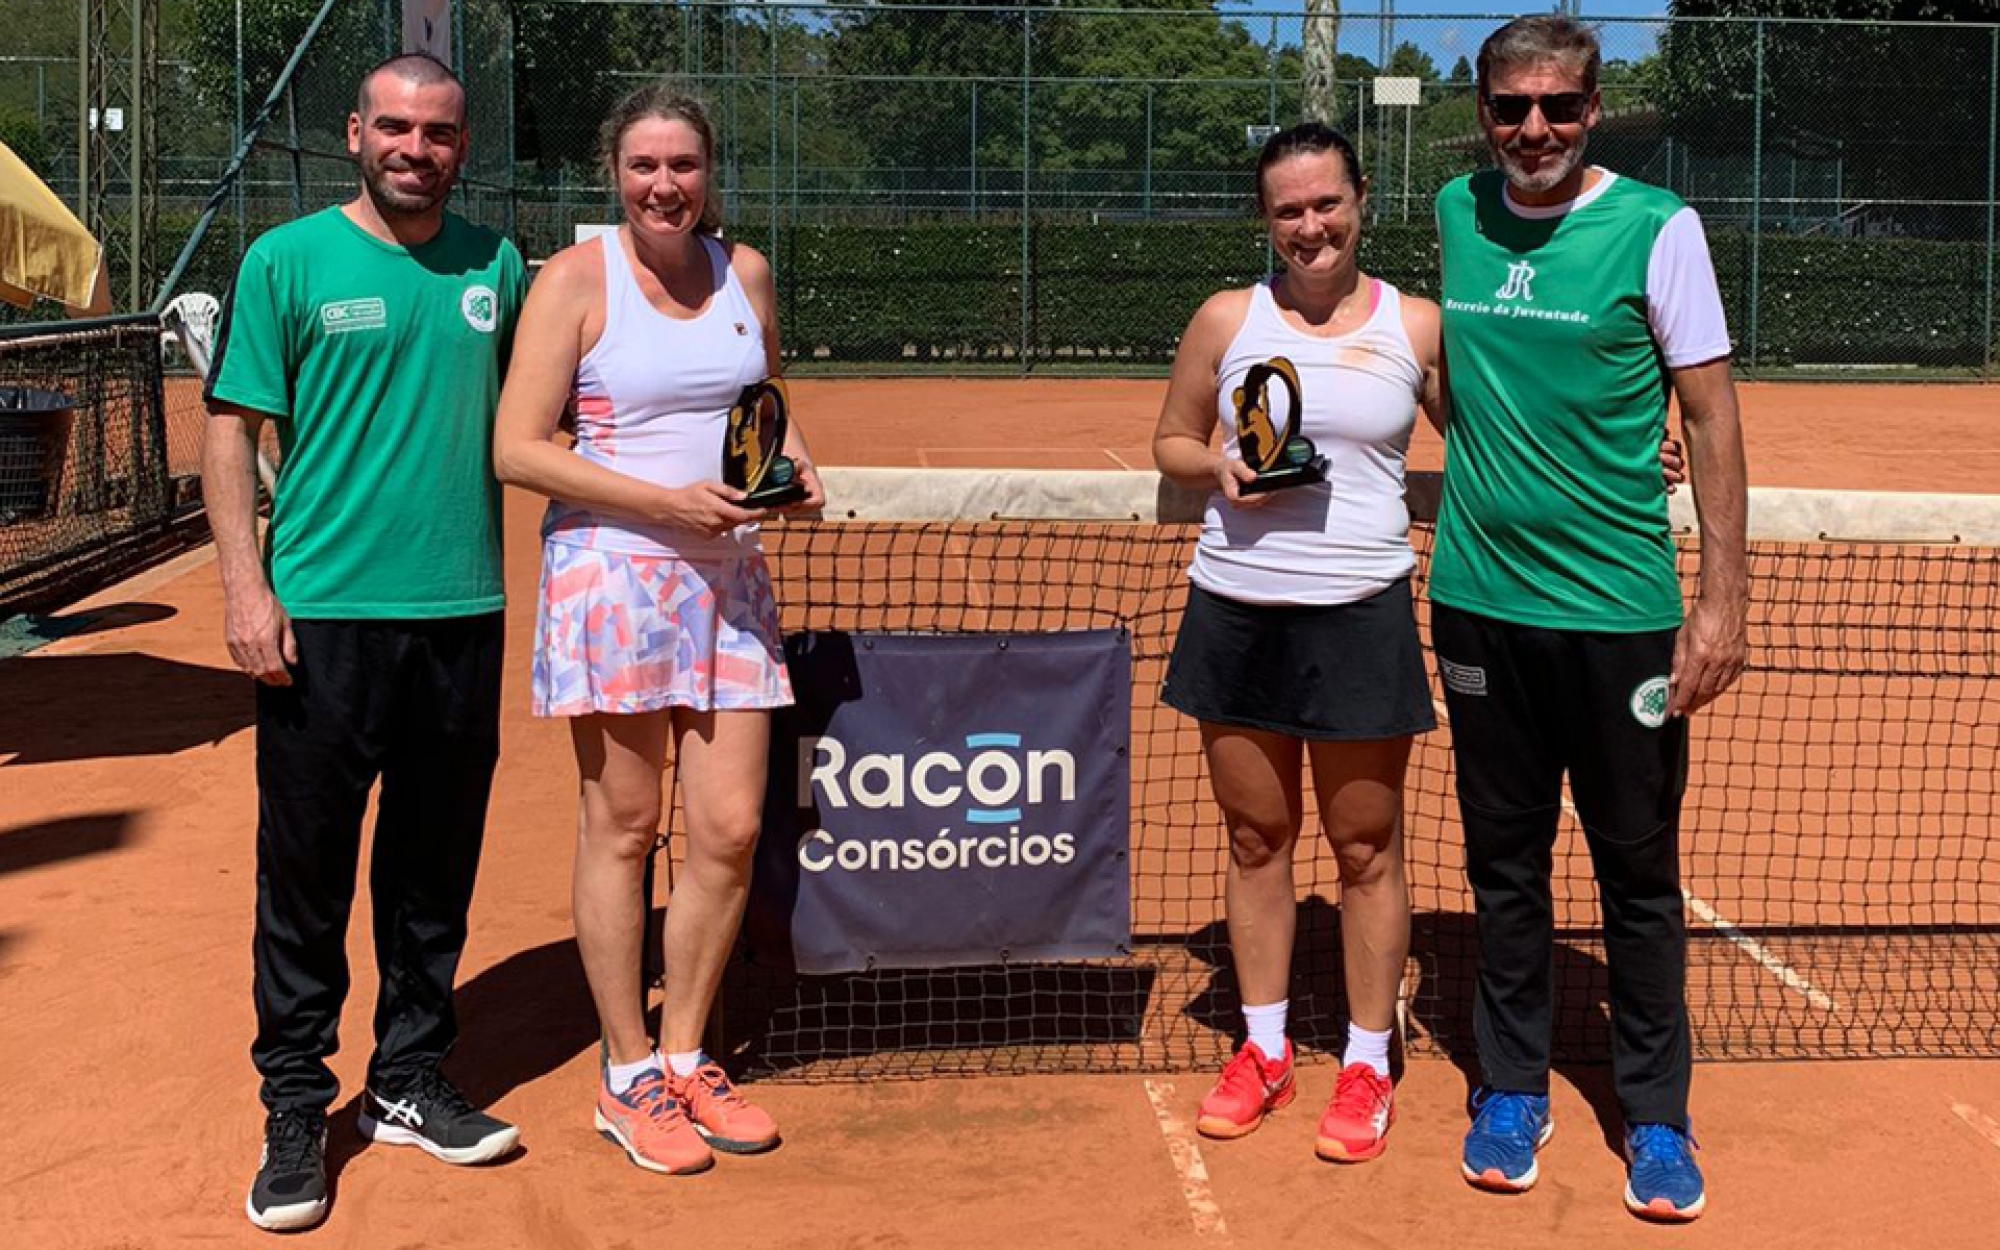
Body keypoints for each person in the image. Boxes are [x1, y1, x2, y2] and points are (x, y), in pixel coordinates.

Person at [1432, 14, 1749, 1223]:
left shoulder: (1657, 226)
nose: (1533, 130)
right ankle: (1508, 1085)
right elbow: (1453, 383)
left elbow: (1710, 416)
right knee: (1502, 867)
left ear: (1592, 106)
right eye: (1510, 107)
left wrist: (1720, 600)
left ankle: (1655, 1112)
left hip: (1621, 612)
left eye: (1556, 107)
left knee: (1637, 873)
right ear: (1480, 109)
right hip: (1475, 606)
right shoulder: (1458, 213)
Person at [202, 54, 526, 1233]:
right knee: (305, 877)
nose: (415, 147)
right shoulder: (285, 261)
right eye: (394, 126)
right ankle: (296, 1102)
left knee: (432, 871)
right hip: (322, 618)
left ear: (461, 143)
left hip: (461, 615)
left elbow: (561, 411)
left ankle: (406, 1076)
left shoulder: (496, 265)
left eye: (437, 131)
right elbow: (234, 433)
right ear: (354, 134)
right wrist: (248, 589)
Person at [492, 85, 822, 1177]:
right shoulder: (574, 282)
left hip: (730, 582)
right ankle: (624, 1072)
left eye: (682, 165)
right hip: (612, 576)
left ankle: (686, 1052)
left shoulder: (747, 274)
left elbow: (762, 407)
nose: (663, 185)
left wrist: (788, 471)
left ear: (707, 171)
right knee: (624, 826)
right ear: (613, 172)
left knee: (727, 830)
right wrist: (661, 501)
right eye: (643, 166)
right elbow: (517, 447)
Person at [1153, 123, 1444, 1164]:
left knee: (1364, 846)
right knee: (1252, 838)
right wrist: (1216, 468)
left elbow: (1499, 436)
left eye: (1324, 203)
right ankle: (1264, 1044)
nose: (1308, 226)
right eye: (1287, 210)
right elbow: (1173, 438)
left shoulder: (1415, 325)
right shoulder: (1226, 317)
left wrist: (1638, 446)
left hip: (1360, 610)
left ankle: (1367, 1057)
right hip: (1234, 606)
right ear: (1264, 219)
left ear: (1359, 199)